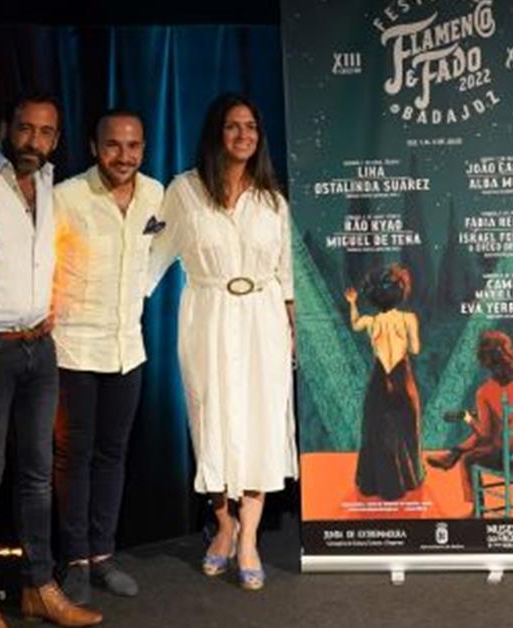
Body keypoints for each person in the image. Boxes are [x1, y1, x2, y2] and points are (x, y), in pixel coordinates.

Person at [0, 93, 101, 627]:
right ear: (4, 128)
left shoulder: (49, 182)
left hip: (40, 347)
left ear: (55, 139)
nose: (33, 141)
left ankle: (40, 587)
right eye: (25, 129)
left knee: (37, 475)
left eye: (45, 132)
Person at [153, 93, 297, 591]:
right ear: (217, 133)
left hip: (263, 319)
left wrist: (292, 329)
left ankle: (250, 536)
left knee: (261, 423)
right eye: (233, 126)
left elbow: (286, 274)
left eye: (251, 127)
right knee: (210, 418)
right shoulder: (185, 191)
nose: (243, 135)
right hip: (208, 316)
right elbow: (151, 256)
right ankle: (224, 524)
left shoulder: (272, 200)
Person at [51, 109, 165, 602]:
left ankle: (103, 555)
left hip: (127, 348)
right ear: (95, 147)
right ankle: (75, 560)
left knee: (112, 454)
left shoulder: (155, 195)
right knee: (73, 457)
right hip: (73, 347)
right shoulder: (66, 196)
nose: (124, 156)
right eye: (114, 145)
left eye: (133, 146)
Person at [425, 330, 513, 516]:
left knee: (470, 459)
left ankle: (476, 508)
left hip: (509, 461)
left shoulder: (486, 391)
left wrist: (468, 418)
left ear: (486, 362)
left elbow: (484, 434)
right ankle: (453, 454)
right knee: (495, 433)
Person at [344, 263, 423, 500]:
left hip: (379, 377)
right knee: (406, 426)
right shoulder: (409, 318)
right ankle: (409, 478)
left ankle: (377, 483)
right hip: (402, 377)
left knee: (376, 428)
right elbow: (415, 349)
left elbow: (354, 325)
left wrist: (352, 303)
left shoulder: (371, 321)